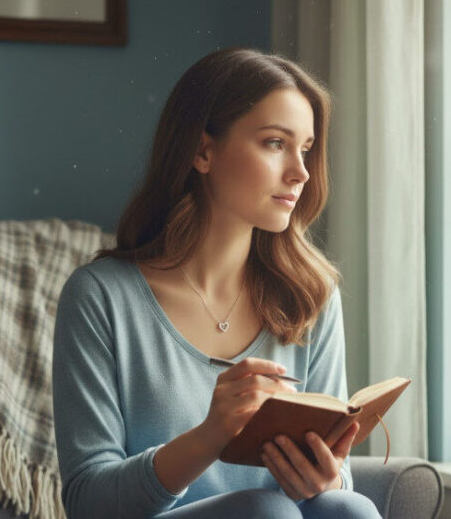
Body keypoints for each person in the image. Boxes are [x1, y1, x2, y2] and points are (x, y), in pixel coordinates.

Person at [52, 47, 382, 519]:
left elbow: (332, 483)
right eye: (275, 143)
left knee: (348, 508)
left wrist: (328, 478)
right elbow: (89, 503)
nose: (301, 172)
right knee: (265, 512)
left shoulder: (312, 296)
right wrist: (212, 434)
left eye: (306, 149)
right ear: (202, 150)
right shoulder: (100, 297)